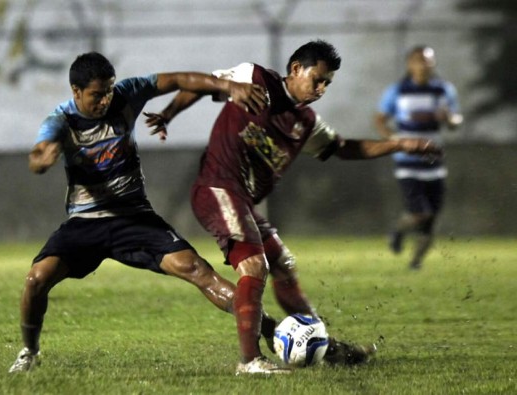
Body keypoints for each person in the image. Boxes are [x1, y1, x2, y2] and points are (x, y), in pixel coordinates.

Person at [145, 40, 441, 371]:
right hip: (217, 188)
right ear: (296, 68)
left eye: (328, 83)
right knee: (255, 266)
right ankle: (250, 361)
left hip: (241, 200)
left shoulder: (306, 123)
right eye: (318, 79)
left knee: (283, 264)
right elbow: (203, 85)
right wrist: (169, 114)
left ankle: (324, 347)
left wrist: (400, 144)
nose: (322, 88)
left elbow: (342, 147)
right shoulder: (255, 78)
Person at [8, 51, 288, 375]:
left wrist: (228, 86)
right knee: (35, 279)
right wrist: (42, 161)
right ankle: (29, 351)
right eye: (97, 95)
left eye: (109, 91)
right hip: (85, 223)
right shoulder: (60, 121)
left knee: (197, 270)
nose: (105, 100)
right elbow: (38, 155)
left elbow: (180, 80)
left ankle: (269, 330)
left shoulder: (127, 95)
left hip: (135, 218)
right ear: (76, 92)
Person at [375, 45, 462, 269]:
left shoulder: (443, 90)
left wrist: (450, 119)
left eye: (427, 60)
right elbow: (380, 120)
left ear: (433, 63)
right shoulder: (398, 91)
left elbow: (455, 121)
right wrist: (397, 140)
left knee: (432, 217)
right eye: (418, 60)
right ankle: (398, 231)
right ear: (409, 64)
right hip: (408, 164)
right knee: (420, 212)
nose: (423, 64)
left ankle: (416, 263)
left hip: (434, 163)